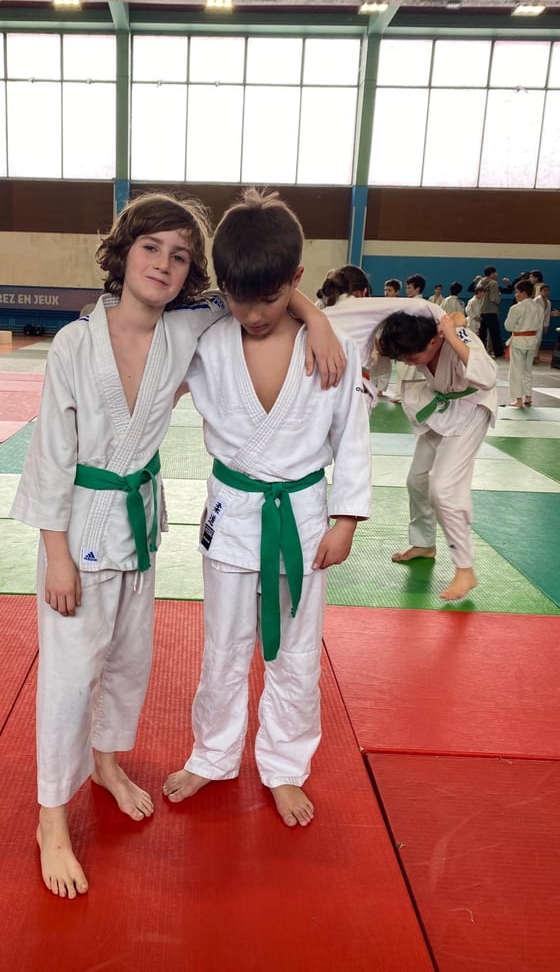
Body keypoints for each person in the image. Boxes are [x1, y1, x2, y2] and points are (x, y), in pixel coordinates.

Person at [9, 191, 344, 900]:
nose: (164, 264)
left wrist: (316, 317)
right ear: (123, 252)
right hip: (79, 530)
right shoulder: (75, 344)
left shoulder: (188, 326)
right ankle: (51, 819)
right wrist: (55, 553)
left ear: (195, 274)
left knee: (128, 660)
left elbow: (265, 286)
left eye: (181, 255)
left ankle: (105, 763)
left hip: (139, 523)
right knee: (70, 676)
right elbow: (50, 454)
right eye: (151, 247)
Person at [163, 188, 370, 830]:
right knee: (223, 648)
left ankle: (284, 766)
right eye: (238, 297)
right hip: (232, 516)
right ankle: (213, 755)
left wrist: (346, 519)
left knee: (297, 655)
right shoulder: (208, 339)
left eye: (272, 298)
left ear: (296, 279)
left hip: (303, 518)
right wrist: (307, 310)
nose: (252, 314)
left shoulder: (333, 349)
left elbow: (353, 438)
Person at [378, 310, 497, 601]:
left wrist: (454, 335)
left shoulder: (458, 338)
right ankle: (424, 544)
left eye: (411, 357)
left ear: (433, 342)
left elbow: (488, 377)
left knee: (442, 489)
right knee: (417, 480)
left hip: (473, 408)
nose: (408, 362)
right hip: (444, 408)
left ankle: (465, 567)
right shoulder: (420, 331)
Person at [319, 266, 444, 409]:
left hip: (319, 386)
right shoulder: (363, 305)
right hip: (353, 388)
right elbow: (421, 306)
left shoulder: (320, 314)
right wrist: (445, 321)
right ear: (364, 291)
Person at [504, 279, 537, 408]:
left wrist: (518, 326)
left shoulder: (517, 307)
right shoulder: (538, 307)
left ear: (523, 293)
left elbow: (508, 326)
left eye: (517, 292)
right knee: (528, 370)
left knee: (516, 370)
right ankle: (528, 396)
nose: (516, 295)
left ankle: (518, 400)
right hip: (532, 340)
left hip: (519, 340)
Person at [475, 265, 504, 358]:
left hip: (482, 310)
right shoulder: (493, 283)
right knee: (494, 333)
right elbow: (494, 298)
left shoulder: (480, 282)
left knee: (482, 333)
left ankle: (481, 350)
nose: (496, 274)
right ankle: (498, 352)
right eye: (495, 272)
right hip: (491, 310)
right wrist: (498, 300)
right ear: (492, 273)